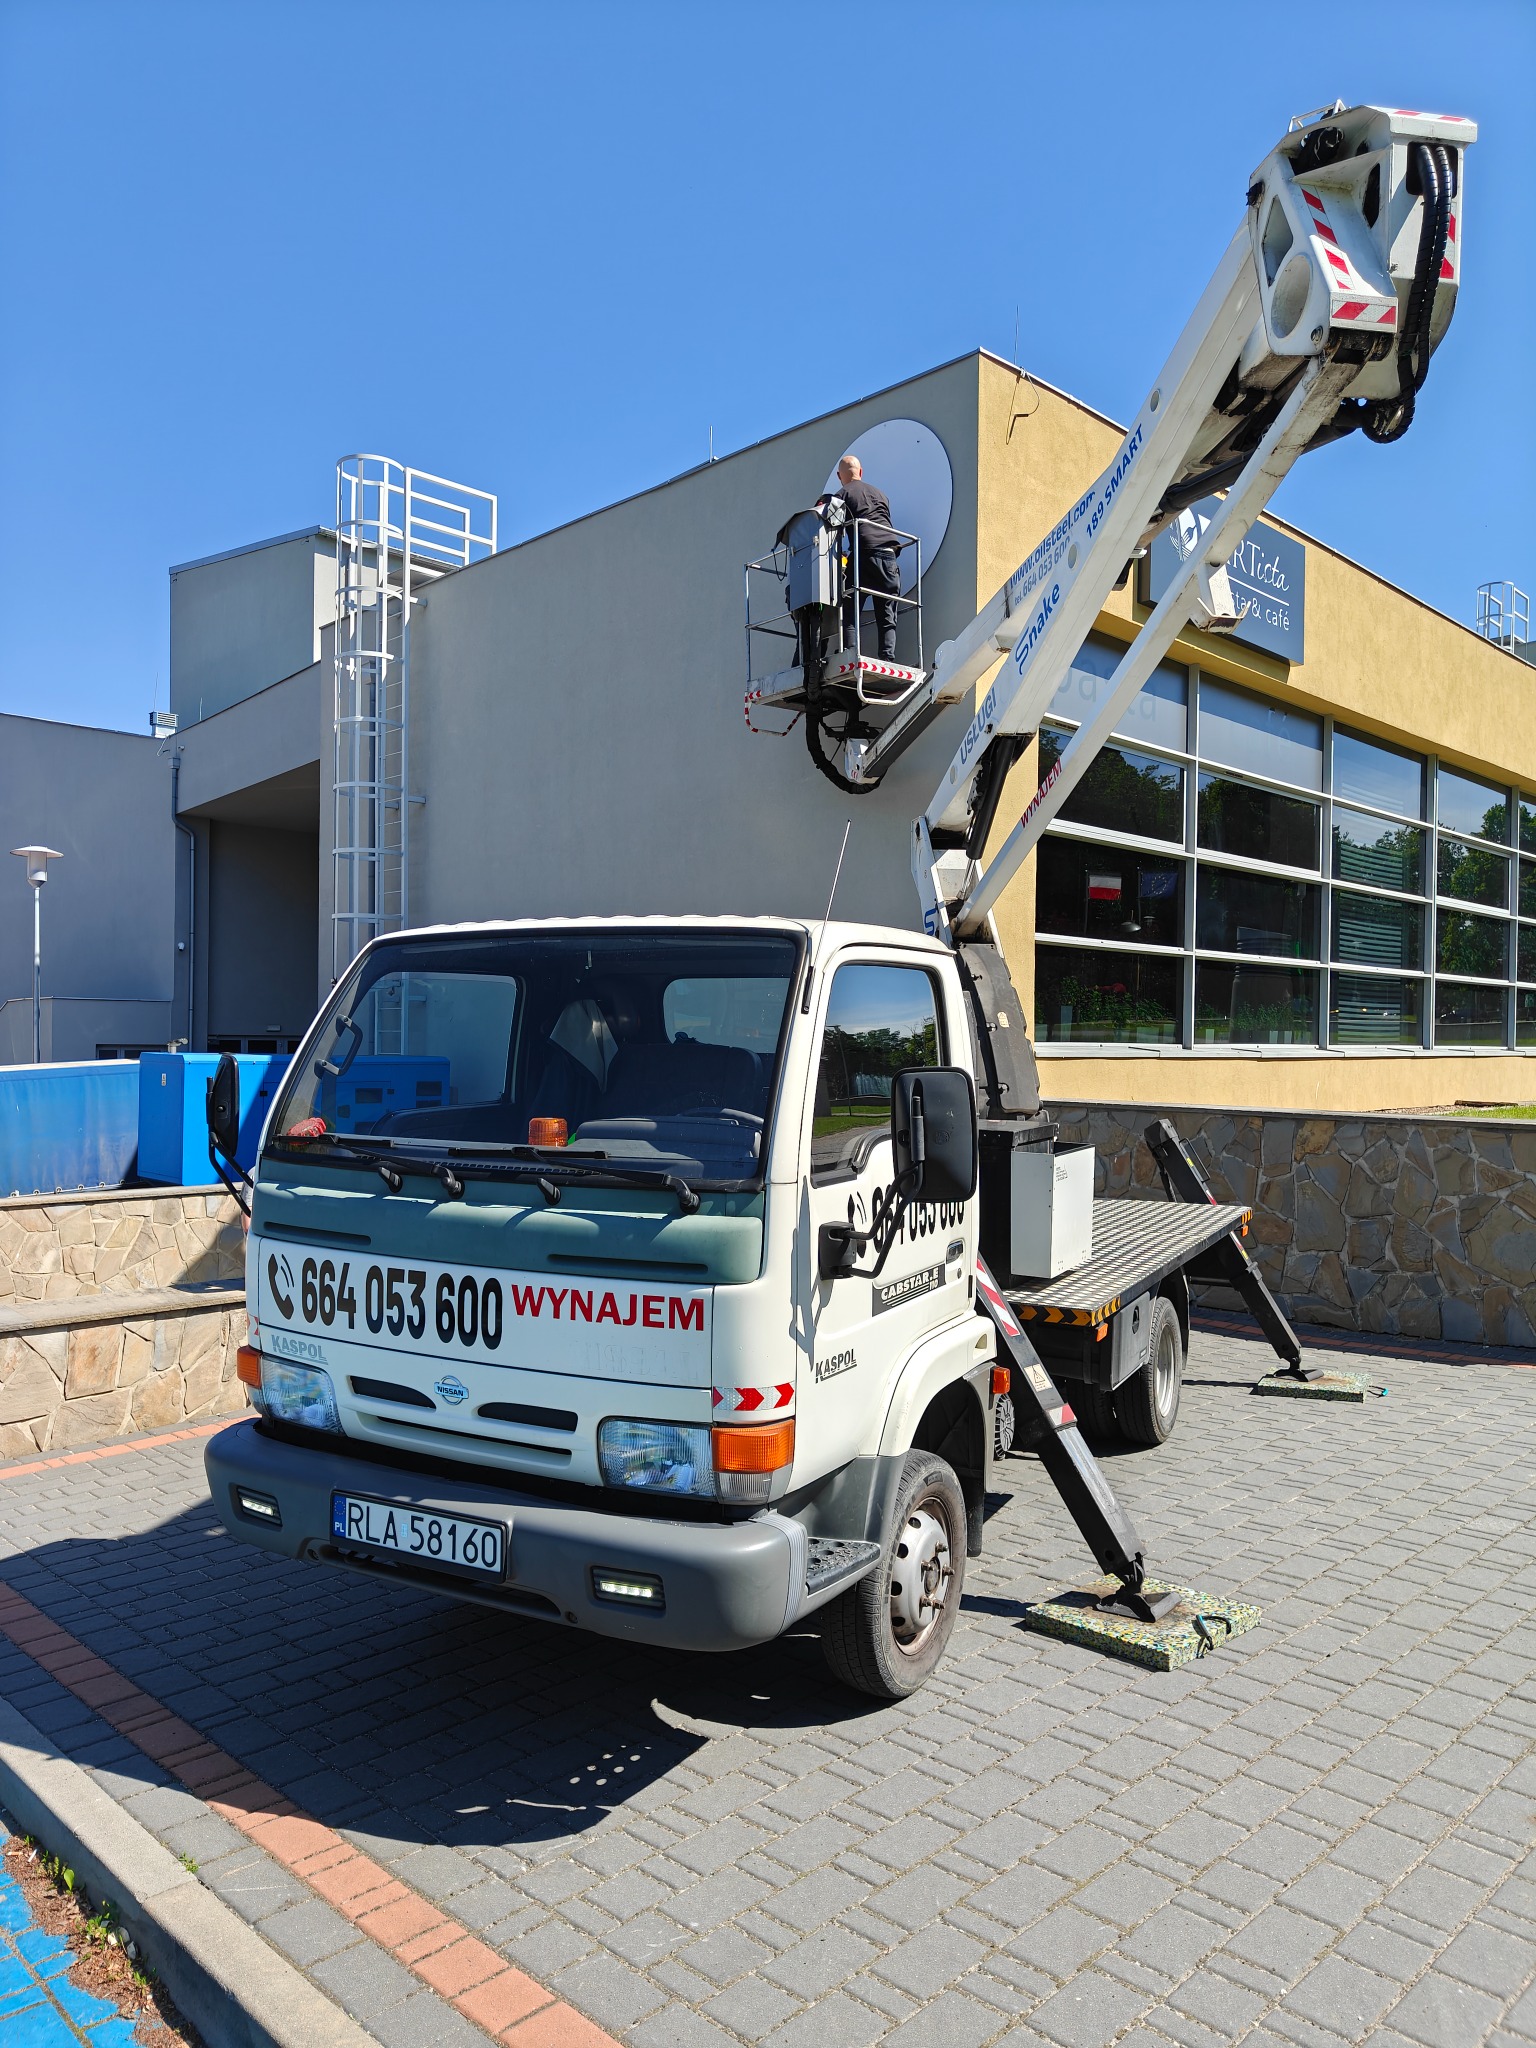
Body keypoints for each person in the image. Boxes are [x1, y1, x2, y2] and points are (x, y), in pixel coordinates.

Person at [819, 455, 901, 661]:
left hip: (865, 554)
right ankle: (888, 658)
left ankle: (851, 654)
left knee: (850, 609)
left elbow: (831, 530)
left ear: (840, 476)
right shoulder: (881, 494)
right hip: (890, 554)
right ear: (861, 472)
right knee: (887, 614)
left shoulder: (841, 495)